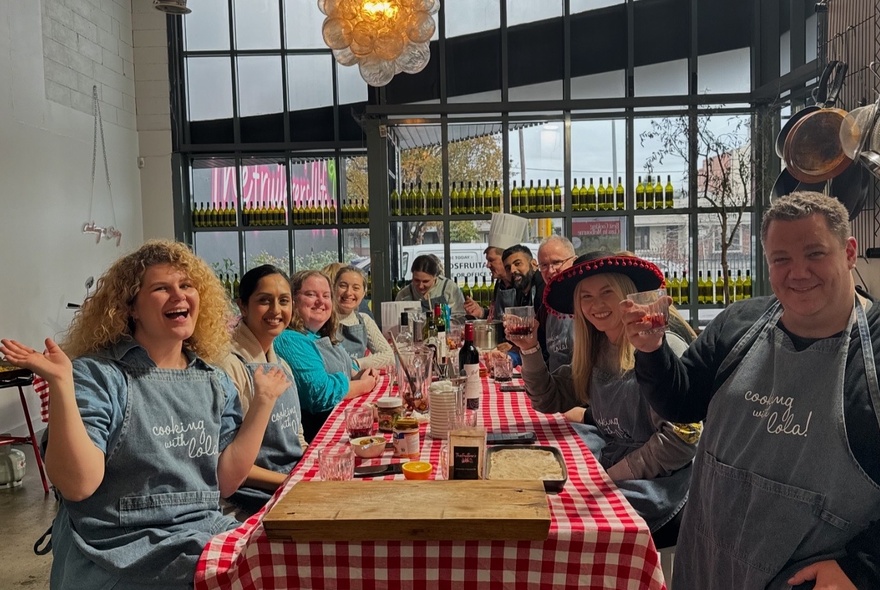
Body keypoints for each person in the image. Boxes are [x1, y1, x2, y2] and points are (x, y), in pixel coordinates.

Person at [623, 191, 880, 589]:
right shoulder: (739, 323)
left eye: (815, 254)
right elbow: (680, 401)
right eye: (781, 259)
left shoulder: (875, 350)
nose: (798, 272)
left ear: (849, 252)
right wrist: (652, 351)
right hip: (709, 559)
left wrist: (864, 567)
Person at [0, 240, 289, 590]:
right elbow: (77, 485)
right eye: (161, 288)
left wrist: (262, 403)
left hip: (201, 532)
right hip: (118, 549)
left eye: (186, 286)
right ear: (131, 307)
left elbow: (225, 481)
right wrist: (62, 382)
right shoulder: (98, 376)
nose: (179, 295)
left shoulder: (214, 380)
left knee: (284, 563)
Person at [515, 251, 700, 537]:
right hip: (615, 464)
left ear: (628, 295)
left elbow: (680, 442)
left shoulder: (662, 347)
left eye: (606, 292)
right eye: (585, 296)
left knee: (561, 522)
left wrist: (609, 477)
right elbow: (547, 398)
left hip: (665, 486)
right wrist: (529, 348)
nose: (596, 305)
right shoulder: (597, 348)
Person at [216, 265, 305, 516]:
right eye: (264, 301)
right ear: (242, 306)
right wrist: (290, 481)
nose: (276, 311)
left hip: (288, 482)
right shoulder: (227, 365)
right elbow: (228, 466)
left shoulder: (281, 364)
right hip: (248, 500)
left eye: (284, 301)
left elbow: (295, 435)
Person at [275, 270, 378, 442]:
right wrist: (363, 385)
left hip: (344, 429)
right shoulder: (289, 339)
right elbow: (320, 393)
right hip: (318, 437)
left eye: (326, 295)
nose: (321, 301)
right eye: (310, 294)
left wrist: (359, 375)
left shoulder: (321, 334)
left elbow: (349, 369)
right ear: (292, 300)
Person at [464, 212, 529, 319]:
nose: (488, 265)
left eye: (491, 260)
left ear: (505, 259)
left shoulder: (523, 284)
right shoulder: (500, 283)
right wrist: (482, 312)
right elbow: (498, 317)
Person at [332, 265, 394, 370]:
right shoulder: (323, 320)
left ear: (363, 293)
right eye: (343, 286)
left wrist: (356, 364)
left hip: (358, 381)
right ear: (333, 288)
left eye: (356, 288)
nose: (348, 292)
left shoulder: (364, 320)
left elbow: (389, 357)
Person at [535, 235, 577, 371]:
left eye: (557, 262)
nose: (551, 271)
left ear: (574, 261)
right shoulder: (546, 305)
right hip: (557, 385)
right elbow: (540, 348)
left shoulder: (587, 300)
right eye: (544, 265)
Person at [394, 254, 466, 323]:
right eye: (416, 280)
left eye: (426, 281)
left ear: (435, 277)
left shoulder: (449, 288)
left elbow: (462, 318)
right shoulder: (403, 295)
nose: (420, 286)